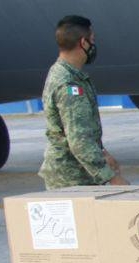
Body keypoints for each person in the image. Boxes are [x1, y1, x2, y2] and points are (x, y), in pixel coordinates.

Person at [38, 15, 128, 188]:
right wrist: (112, 178)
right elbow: (79, 141)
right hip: (71, 179)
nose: (93, 46)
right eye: (92, 40)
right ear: (83, 43)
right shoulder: (68, 85)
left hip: (77, 175)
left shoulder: (68, 75)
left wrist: (102, 153)